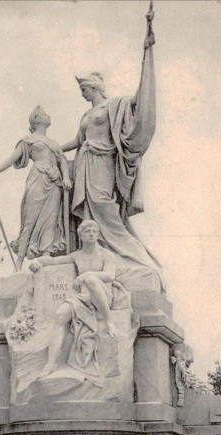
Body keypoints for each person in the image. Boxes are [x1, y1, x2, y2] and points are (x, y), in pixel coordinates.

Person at [60, 61, 166, 292]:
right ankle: (98, 258)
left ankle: (136, 256)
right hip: (84, 163)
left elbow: (139, 100)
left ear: (95, 87)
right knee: (89, 213)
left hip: (103, 162)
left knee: (104, 206)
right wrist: (55, 149)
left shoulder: (114, 105)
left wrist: (146, 64)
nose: (82, 93)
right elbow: (78, 141)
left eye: (84, 89)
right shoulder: (86, 114)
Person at [30, 220, 127, 382]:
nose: (91, 234)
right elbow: (54, 261)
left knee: (91, 280)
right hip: (83, 298)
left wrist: (86, 275)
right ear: (80, 235)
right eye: (87, 231)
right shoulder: (77, 255)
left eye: (94, 231)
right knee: (60, 315)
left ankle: (109, 321)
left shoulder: (106, 255)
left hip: (102, 295)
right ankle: (51, 363)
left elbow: (110, 275)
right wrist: (37, 261)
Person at [0, 106, 71, 271]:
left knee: (51, 220)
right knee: (30, 220)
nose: (49, 115)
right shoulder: (27, 140)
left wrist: (66, 177)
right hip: (38, 178)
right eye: (45, 114)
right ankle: (19, 263)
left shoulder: (54, 143)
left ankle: (46, 258)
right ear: (36, 120)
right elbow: (10, 159)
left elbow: (62, 160)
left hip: (55, 183)